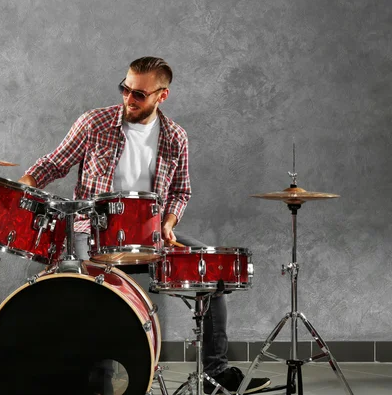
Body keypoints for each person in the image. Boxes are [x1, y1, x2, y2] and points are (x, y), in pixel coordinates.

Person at [19, 57, 270, 394]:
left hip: (151, 237)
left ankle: (216, 373)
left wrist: (169, 223)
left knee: (212, 272)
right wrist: (27, 183)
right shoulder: (94, 123)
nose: (128, 98)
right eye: (125, 89)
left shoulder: (175, 136)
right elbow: (54, 163)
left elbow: (181, 191)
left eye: (139, 94)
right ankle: (96, 381)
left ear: (161, 96)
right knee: (89, 288)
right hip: (90, 232)